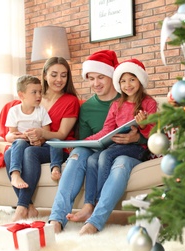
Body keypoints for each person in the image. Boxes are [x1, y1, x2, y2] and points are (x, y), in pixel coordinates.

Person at [48, 50, 146, 234]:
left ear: (112, 76)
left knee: (121, 163)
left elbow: (152, 132)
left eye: (101, 77)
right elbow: (86, 141)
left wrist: (137, 137)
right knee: (77, 155)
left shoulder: (129, 97)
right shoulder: (87, 107)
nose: (95, 83)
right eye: (91, 78)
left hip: (126, 152)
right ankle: (57, 218)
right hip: (97, 152)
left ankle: (95, 221)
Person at [68, 59, 157, 234]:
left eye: (132, 79)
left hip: (138, 149)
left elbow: (153, 135)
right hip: (116, 146)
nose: (127, 85)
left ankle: (99, 203)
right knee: (93, 158)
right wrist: (84, 142)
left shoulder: (148, 103)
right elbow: (107, 129)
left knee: (104, 156)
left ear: (140, 81)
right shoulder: (116, 104)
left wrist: (144, 125)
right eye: (123, 81)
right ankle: (89, 205)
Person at [4, 57, 80, 221]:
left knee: (30, 152)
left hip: (56, 147)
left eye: (63, 75)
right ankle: (29, 206)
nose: (59, 79)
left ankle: (22, 207)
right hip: (31, 143)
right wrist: (13, 137)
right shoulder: (35, 97)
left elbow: (61, 135)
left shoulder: (70, 101)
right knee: (9, 154)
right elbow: (13, 130)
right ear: (45, 75)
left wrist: (41, 135)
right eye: (54, 74)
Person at [5, 75, 53, 189]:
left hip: (36, 145)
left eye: (40, 92)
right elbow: (14, 135)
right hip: (21, 143)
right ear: (21, 95)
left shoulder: (41, 111)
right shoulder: (14, 111)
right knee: (19, 144)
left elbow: (46, 133)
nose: (39, 95)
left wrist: (40, 141)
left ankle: (24, 203)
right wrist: (24, 136)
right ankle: (15, 174)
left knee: (29, 148)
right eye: (34, 92)